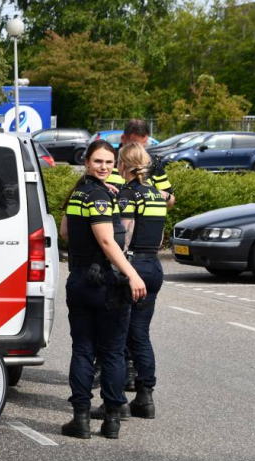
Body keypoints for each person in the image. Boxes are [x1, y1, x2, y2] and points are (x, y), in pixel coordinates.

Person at [60, 139, 147, 440]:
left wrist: (98, 194)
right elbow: (108, 241)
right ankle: (111, 421)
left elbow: (65, 232)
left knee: (83, 349)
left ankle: (80, 420)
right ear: (86, 161)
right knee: (111, 353)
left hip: (79, 279)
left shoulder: (79, 193)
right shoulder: (100, 196)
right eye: (98, 161)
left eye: (109, 162)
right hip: (106, 283)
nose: (104, 167)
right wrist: (133, 275)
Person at [116, 142, 166, 419]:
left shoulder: (127, 195)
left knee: (120, 333)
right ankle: (145, 397)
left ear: (123, 164)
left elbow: (125, 234)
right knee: (141, 334)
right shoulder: (157, 195)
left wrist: (120, 267)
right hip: (153, 264)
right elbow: (158, 237)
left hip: (133, 265)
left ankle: (118, 397)